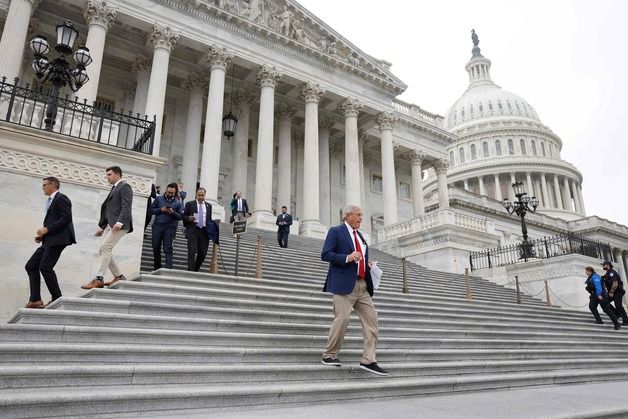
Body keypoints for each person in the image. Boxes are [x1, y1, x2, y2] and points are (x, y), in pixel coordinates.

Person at [320, 204, 388, 376]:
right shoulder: (336, 231)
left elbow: (361, 258)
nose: (360, 218)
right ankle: (329, 354)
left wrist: (368, 264)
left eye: (361, 215)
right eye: (358, 215)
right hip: (344, 284)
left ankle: (368, 360)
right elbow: (326, 254)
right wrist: (347, 257)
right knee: (341, 319)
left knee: (372, 320)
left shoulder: (360, 237)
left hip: (362, 285)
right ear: (348, 215)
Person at [24, 176, 76, 308]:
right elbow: (56, 220)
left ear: (53, 185)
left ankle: (57, 298)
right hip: (49, 240)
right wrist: (43, 236)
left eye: (44, 185)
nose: (42, 188)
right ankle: (35, 299)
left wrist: (47, 229)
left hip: (58, 240)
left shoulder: (61, 198)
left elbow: (66, 218)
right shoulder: (52, 200)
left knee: (45, 267)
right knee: (31, 265)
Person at [82, 166, 133, 289]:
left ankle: (99, 278)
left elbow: (126, 206)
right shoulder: (115, 188)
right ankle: (119, 276)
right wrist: (104, 226)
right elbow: (110, 209)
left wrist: (119, 223)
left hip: (121, 224)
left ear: (118, 175)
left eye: (109, 175)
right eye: (107, 175)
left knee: (105, 247)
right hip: (111, 225)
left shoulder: (125, 186)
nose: (107, 177)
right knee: (103, 249)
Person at [150, 182, 183, 269]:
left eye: (171, 193)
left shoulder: (178, 203)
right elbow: (151, 210)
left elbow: (180, 217)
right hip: (157, 226)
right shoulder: (159, 199)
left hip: (170, 228)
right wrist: (160, 210)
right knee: (155, 246)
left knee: (167, 248)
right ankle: (157, 267)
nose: (169, 194)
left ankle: (169, 268)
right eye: (168, 192)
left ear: (175, 193)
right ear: (166, 190)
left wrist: (172, 212)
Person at [183, 187, 212, 271]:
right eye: (199, 195)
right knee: (192, 251)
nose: (201, 197)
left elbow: (209, 219)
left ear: (205, 195)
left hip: (204, 232)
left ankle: (195, 269)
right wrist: (188, 218)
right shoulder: (189, 204)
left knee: (203, 253)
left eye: (202, 195)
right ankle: (190, 271)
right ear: (196, 195)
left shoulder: (209, 206)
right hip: (193, 230)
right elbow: (183, 216)